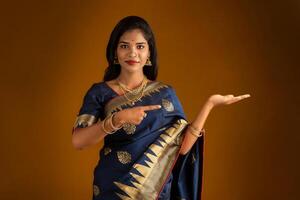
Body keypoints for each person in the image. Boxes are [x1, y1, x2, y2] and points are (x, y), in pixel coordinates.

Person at [72, 16, 250, 200]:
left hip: (154, 193)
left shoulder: (165, 94)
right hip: (111, 189)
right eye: (124, 46)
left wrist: (210, 104)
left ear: (149, 53)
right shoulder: (99, 92)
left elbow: (181, 148)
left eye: (140, 46)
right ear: (115, 51)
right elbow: (78, 141)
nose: (133, 53)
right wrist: (116, 120)